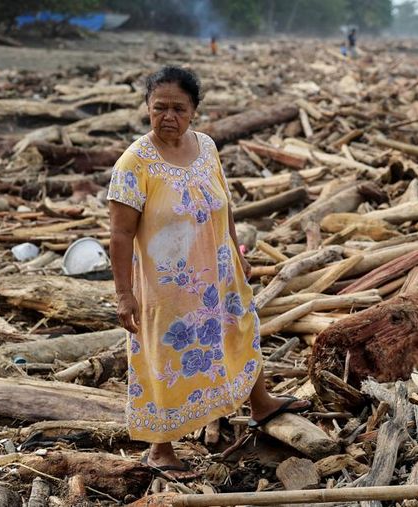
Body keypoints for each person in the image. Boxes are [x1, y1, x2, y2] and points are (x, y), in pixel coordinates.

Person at [107, 66, 311, 480]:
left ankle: (261, 404)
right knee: (164, 357)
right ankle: (161, 448)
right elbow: (120, 234)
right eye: (159, 107)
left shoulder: (207, 148)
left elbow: (225, 205)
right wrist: (124, 294)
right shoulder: (134, 163)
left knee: (240, 330)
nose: (168, 116)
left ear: (194, 111)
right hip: (169, 287)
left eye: (178, 108)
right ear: (146, 108)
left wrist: (235, 250)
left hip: (218, 272)